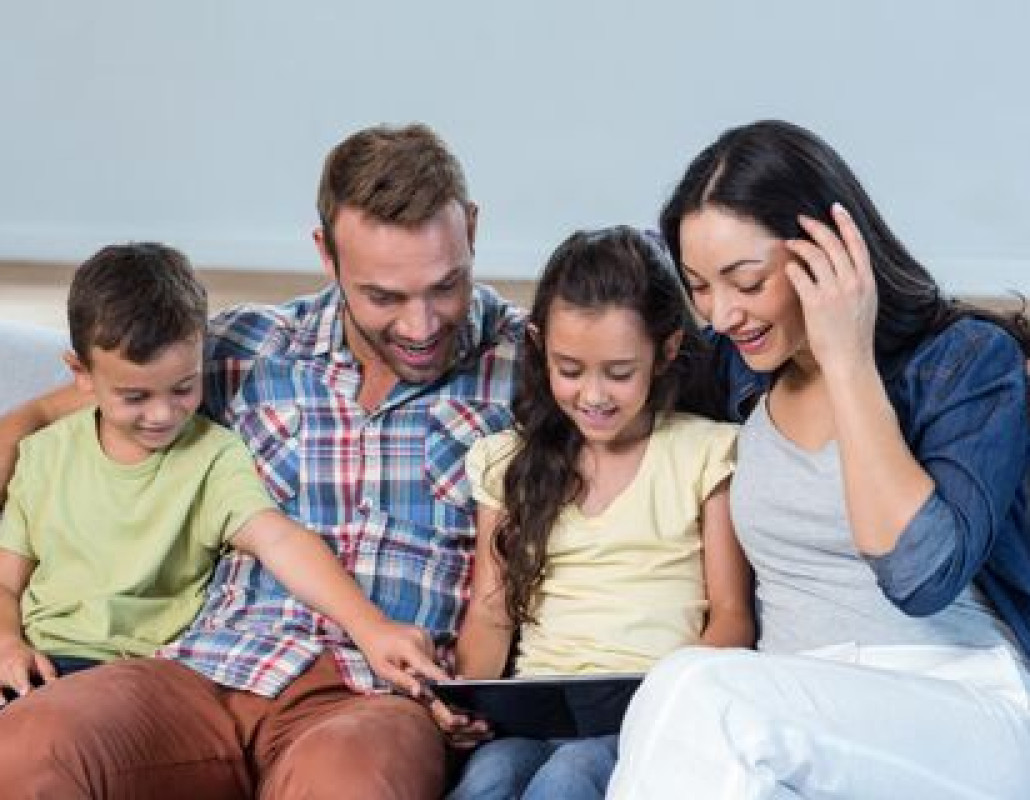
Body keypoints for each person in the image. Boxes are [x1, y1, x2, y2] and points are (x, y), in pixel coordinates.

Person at [0, 123, 524, 799]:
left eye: (444, 287)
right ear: (326, 254)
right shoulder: (243, 346)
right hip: (204, 670)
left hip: (371, 698)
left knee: (347, 785)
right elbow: (41, 418)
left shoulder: (539, 368)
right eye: (384, 297)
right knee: (28, 747)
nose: (420, 326)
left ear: (472, 230)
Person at [608, 120, 1030, 799]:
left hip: (959, 706)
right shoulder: (739, 372)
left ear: (827, 251)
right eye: (700, 286)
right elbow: (597, 352)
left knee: (695, 687)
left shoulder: (965, 361)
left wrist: (847, 357)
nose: (722, 314)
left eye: (747, 282)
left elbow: (919, 574)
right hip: (795, 723)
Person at [0, 242, 444, 698]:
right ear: (81, 373)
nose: (162, 415)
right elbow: (6, 584)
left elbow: (279, 540)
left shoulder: (213, 455)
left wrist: (369, 627)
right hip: (36, 661)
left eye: (183, 388)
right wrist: (8, 644)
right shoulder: (42, 455)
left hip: (136, 676)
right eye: (135, 397)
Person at [441, 226, 753, 800]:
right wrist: (465, 700)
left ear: (666, 352)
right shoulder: (506, 462)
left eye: (619, 372)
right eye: (570, 370)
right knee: (488, 778)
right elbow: (490, 612)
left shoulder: (706, 453)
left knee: (570, 776)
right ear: (539, 347)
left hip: (646, 712)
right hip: (537, 712)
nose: (593, 396)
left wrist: (674, 703)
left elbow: (732, 618)